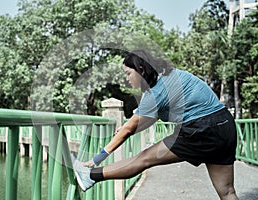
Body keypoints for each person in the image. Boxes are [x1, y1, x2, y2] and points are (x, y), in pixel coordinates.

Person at [72, 49, 239, 200]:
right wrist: (128, 126)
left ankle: (90, 175)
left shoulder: (154, 92)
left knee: (144, 159)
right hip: (225, 125)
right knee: (227, 191)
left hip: (202, 129)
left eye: (128, 73)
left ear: (141, 70)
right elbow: (145, 120)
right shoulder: (171, 75)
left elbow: (129, 129)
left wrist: (95, 160)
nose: (126, 78)